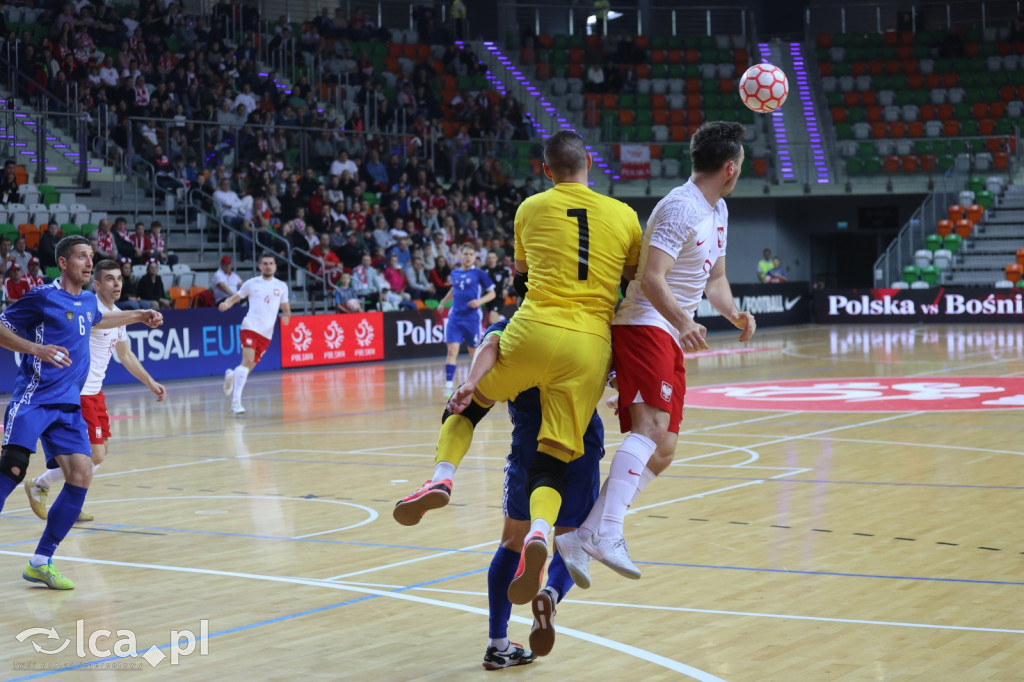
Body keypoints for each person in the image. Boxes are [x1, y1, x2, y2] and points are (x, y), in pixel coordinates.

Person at [393, 131, 642, 609]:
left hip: (532, 328)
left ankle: (442, 476)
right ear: (589, 163)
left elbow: (524, 276)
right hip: (588, 345)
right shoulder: (627, 217)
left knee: (469, 406)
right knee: (553, 456)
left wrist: (472, 383)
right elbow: (633, 286)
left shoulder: (529, 209)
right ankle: (544, 531)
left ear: (546, 170)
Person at [556, 121, 756, 586]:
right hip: (646, 321)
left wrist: (734, 314)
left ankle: (579, 537)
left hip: (670, 330)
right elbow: (651, 278)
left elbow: (716, 280)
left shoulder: (718, 209)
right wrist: (685, 321)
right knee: (651, 427)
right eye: (742, 163)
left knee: (663, 450)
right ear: (731, 167)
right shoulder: (679, 207)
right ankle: (608, 533)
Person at [0, 236, 162, 590]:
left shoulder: (89, 300)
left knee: (82, 473)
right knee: (12, 468)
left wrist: (140, 315)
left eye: (91, 257)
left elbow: (101, 320)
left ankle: (41, 561)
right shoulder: (43, 297)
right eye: (81, 258)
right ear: (62, 262)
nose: (89, 263)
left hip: (69, 405)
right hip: (35, 397)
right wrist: (35, 348)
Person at [471, 318, 605, 668]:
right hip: (579, 444)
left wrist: (468, 387)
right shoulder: (590, 324)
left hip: (529, 448)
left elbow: (486, 358)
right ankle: (551, 593)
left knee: (512, 542)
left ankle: (498, 643)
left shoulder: (510, 328)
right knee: (574, 541)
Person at [25, 260, 167, 523]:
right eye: (110, 279)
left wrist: (150, 382)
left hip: (95, 392)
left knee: (99, 454)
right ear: (97, 284)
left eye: (120, 279)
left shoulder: (119, 316)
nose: (117, 284)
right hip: (78, 392)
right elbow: (96, 323)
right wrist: (138, 314)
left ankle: (60, 496)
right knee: (95, 453)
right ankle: (43, 486)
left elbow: (125, 355)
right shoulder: (87, 307)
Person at [219, 254, 291, 415]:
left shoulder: (281, 286)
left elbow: (286, 308)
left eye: (271, 263)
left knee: (247, 368)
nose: (268, 266)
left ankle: (230, 376)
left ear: (275, 266)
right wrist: (226, 303)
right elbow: (236, 297)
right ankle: (236, 403)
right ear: (260, 266)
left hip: (267, 334)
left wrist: (286, 316)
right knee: (248, 360)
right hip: (250, 327)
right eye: (265, 263)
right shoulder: (252, 283)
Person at [438, 243, 495, 395]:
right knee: (452, 351)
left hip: (472, 318)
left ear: (475, 257)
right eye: (465, 254)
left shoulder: (479, 273)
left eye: (471, 254)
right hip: (455, 318)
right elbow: (454, 289)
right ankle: (449, 386)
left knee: (474, 352)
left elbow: (492, 294)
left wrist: (479, 301)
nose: (468, 257)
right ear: (460, 256)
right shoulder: (455, 273)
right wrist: (444, 301)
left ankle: (480, 383)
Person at [483, 250, 510, 324]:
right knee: (493, 320)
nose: (491, 259)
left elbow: (511, 278)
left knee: (492, 319)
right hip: (487, 297)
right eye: (489, 258)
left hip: (498, 297)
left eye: (493, 257)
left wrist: (506, 288)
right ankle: (504, 323)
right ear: (487, 259)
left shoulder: (502, 269)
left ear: (496, 259)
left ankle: (509, 327)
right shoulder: (483, 269)